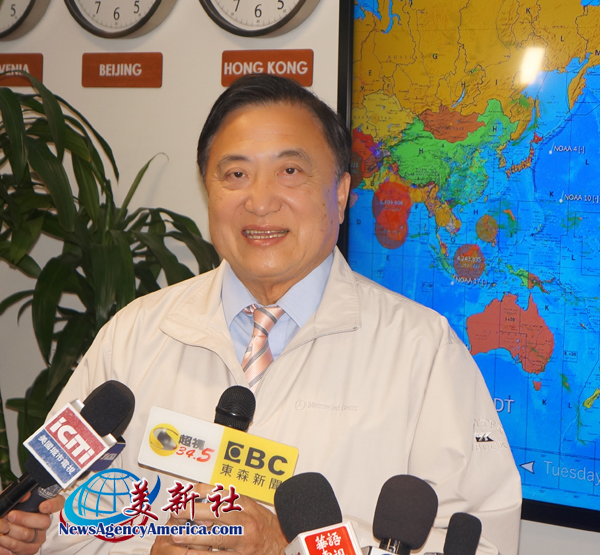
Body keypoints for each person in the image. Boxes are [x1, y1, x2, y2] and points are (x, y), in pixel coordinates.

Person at [31, 74, 519, 555]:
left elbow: (482, 543)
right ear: (208, 190)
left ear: (341, 193)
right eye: (235, 175)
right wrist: (148, 551)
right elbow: (54, 519)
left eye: (290, 171)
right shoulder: (135, 332)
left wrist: (289, 547)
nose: (260, 202)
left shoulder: (424, 352)